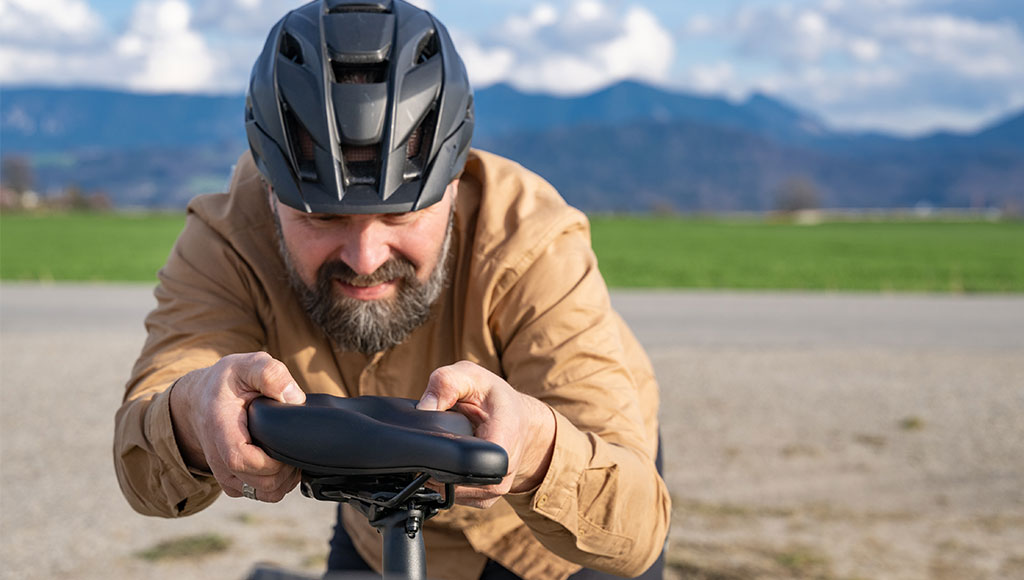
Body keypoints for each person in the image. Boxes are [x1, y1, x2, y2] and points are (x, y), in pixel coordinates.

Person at [113, 1, 669, 579]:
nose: (365, 258)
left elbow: (637, 529)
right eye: (323, 219)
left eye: (402, 217)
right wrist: (191, 411)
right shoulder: (228, 237)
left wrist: (536, 450)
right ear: (271, 191)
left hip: (550, 539)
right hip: (379, 523)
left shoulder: (533, 242)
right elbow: (139, 467)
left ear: (454, 183)